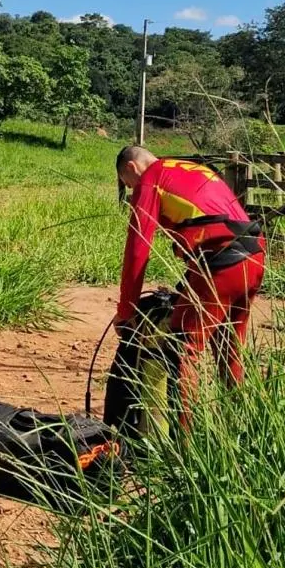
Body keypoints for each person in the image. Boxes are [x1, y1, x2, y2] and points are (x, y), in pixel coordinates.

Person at [114, 146, 265, 428]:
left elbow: (138, 248)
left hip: (220, 263)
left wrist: (126, 310)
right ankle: (242, 428)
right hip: (255, 254)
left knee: (183, 351)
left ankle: (184, 447)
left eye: (128, 184)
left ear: (132, 169)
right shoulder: (192, 168)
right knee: (229, 348)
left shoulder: (150, 179)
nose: (133, 190)